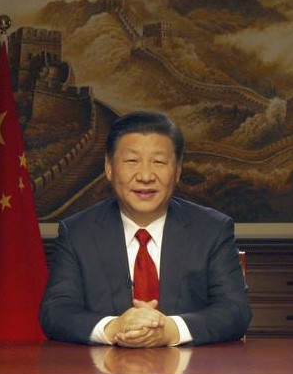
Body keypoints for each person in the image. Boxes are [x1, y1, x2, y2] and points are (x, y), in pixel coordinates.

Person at [39, 111, 252, 347]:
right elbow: (56, 312)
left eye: (158, 162)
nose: (146, 176)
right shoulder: (77, 232)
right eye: (132, 161)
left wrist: (171, 330)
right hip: (101, 365)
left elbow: (235, 310)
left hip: (191, 365)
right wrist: (113, 328)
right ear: (109, 167)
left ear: (178, 170)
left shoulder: (212, 230)